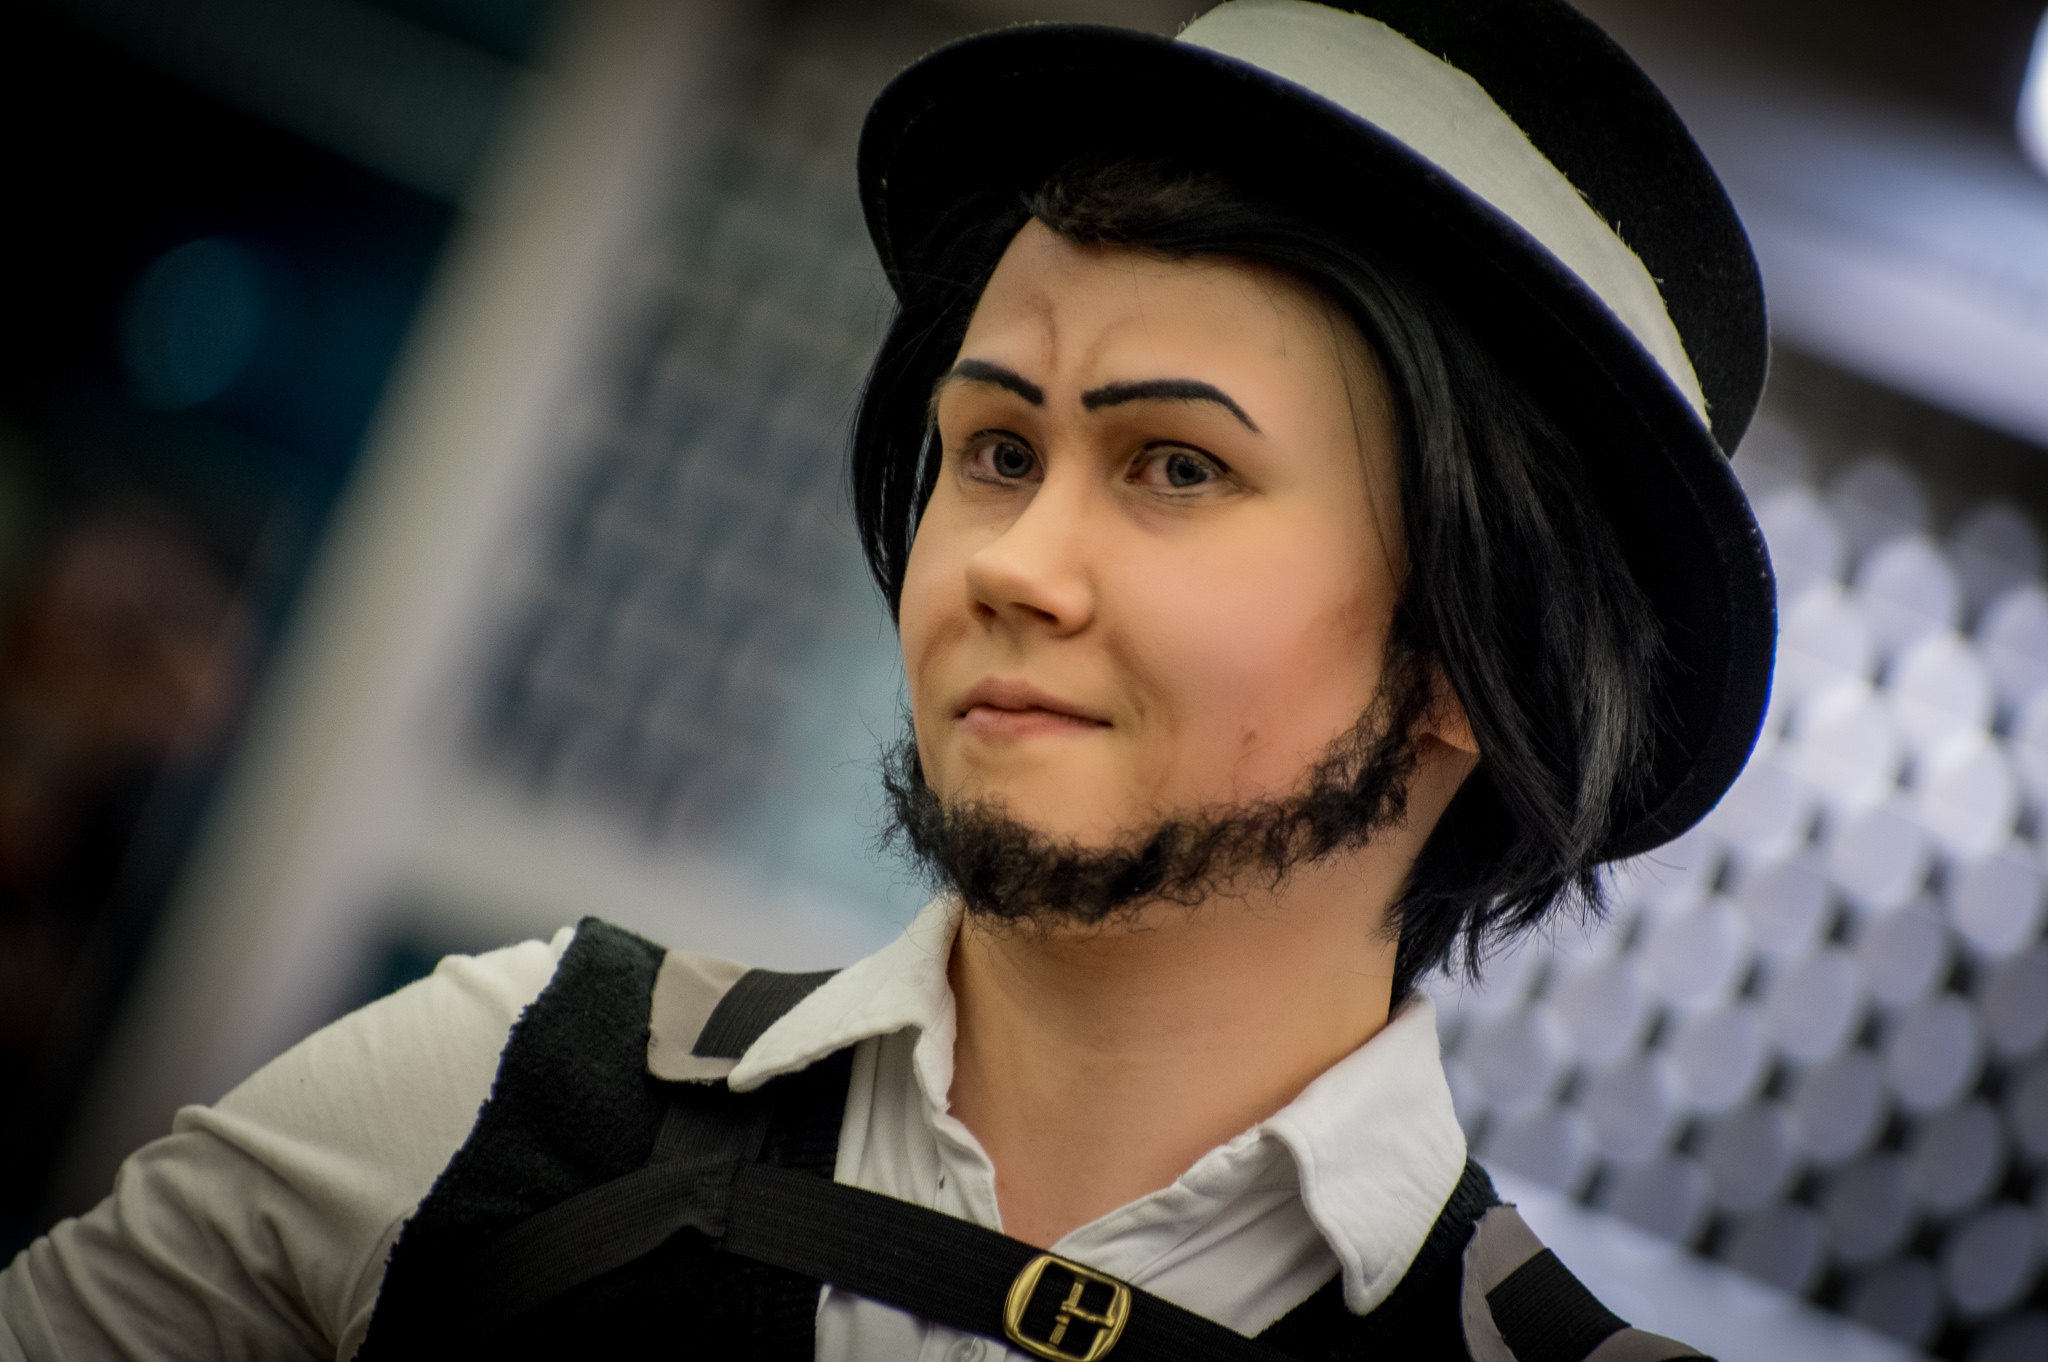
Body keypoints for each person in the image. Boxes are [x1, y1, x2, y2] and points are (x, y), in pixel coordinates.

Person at [0, 1, 1774, 1358]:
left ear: (1480, 656)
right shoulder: (502, 1089)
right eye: (996, 450)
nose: (1010, 561)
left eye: (1176, 466)